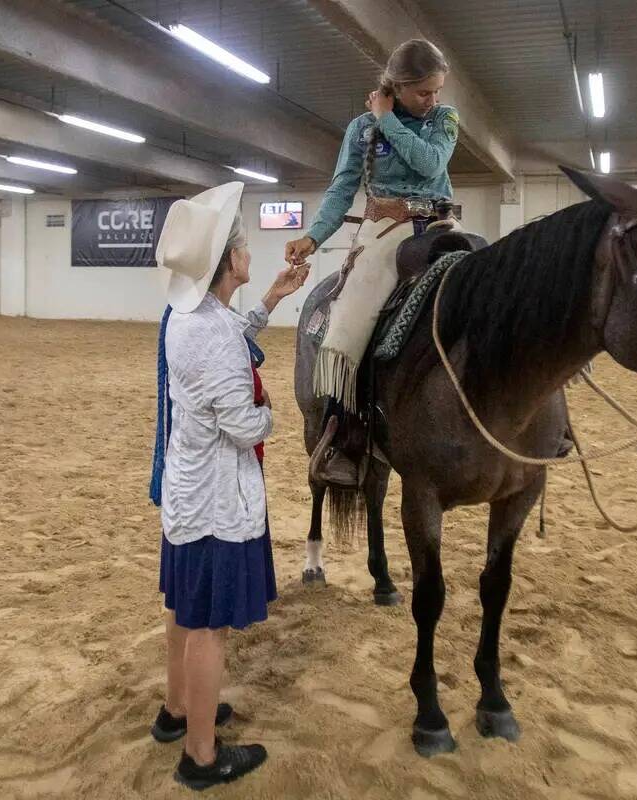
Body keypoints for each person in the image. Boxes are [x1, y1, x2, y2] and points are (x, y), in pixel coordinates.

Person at [148, 181, 309, 791]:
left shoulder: (192, 314)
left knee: (183, 610)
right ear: (227, 262)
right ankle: (201, 756)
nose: (251, 253)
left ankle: (177, 709)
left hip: (189, 493)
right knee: (209, 626)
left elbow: (230, 338)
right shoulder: (211, 335)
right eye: (244, 248)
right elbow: (244, 424)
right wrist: (272, 415)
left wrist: (270, 298)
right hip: (216, 498)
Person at [284, 38, 459, 485]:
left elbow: (429, 163)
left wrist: (387, 119)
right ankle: (343, 433)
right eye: (423, 92)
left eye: (437, 90)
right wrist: (313, 236)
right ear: (397, 87)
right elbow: (343, 187)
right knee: (347, 322)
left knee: (501, 284)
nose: (433, 100)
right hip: (383, 231)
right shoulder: (362, 129)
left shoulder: (445, 119)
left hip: (441, 226)